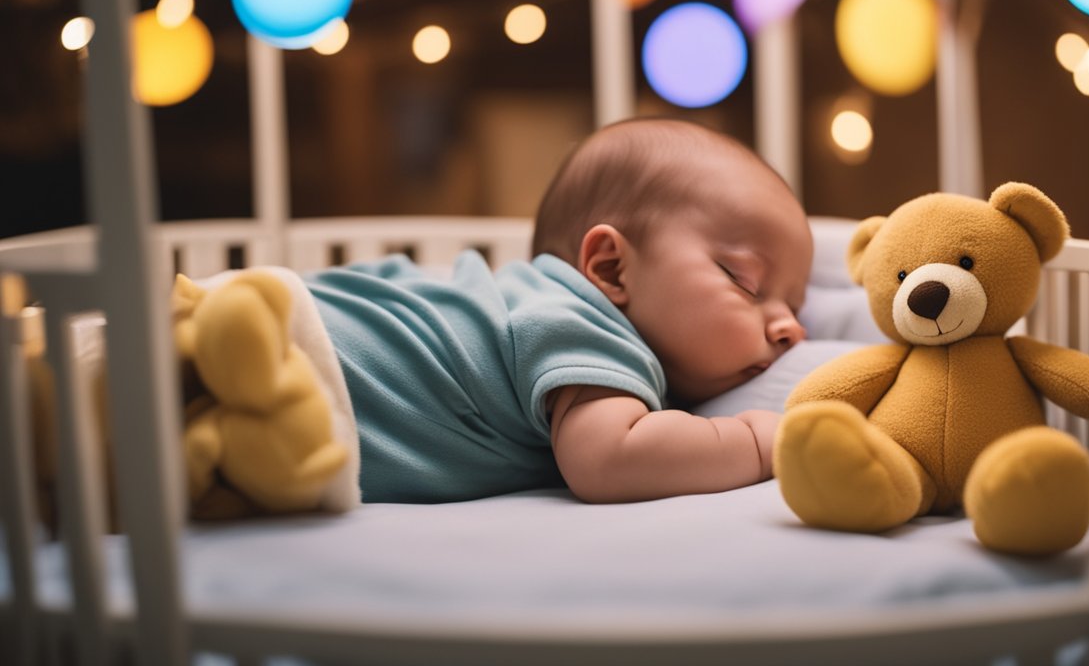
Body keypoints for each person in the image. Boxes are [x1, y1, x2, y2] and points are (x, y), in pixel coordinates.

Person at [185, 118, 814, 511]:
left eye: (796, 304)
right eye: (746, 281)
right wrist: (761, 439)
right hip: (278, 354)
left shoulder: (542, 315)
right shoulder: (584, 323)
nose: (790, 326)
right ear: (612, 270)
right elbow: (609, 458)